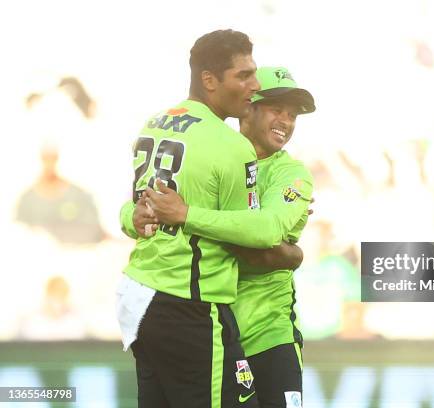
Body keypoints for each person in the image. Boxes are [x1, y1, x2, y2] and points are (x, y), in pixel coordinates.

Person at [121, 67, 316, 408]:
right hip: (209, 328)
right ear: (249, 107)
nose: (286, 121)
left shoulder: (291, 174)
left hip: (268, 334)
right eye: (276, 108)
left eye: (293, 114)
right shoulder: (212, 152)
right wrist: (132, 216)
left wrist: (187, 217)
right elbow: (139, 207)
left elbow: (265, 239)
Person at [117, 29, 264, 408]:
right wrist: (187, 215)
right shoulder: (231, 145)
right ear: (209, 80)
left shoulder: (154, 123)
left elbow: (132, 214)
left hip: (142, 299)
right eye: (243, 75)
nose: (255, 85)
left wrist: (137, 218)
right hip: (192, 306)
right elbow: (250, 234)